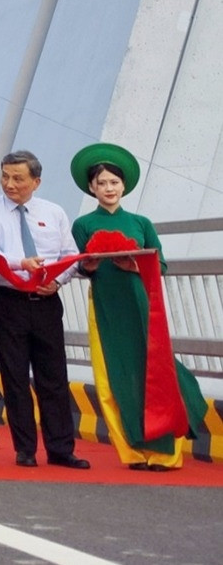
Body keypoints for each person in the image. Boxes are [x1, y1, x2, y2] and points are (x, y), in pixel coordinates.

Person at [69, 144, 208, 471]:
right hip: (106, 307)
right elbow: (80, 267)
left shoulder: (141, 223)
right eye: (101, 183)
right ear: (92, 188)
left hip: (142, 304)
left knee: (158, 371)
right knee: (118, 376)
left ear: (124, 186)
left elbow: (160, 265)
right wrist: (89, 266)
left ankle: (165, 452)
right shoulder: (83, 225)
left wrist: (133, 265)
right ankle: (134, 451)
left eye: (114, 183)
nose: (108, 189)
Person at [0, 150, 88, 469]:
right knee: (15, 376)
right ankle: (25, 449)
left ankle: (61, 449)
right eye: (5, 177)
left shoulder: (53, 212)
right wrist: (20, 264)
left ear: (36, 181)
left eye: (18, 178)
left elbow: (70, 255)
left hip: (46, 299)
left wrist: (58, 281)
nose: (10, 184)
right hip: (7, 299)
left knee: (53, 376)